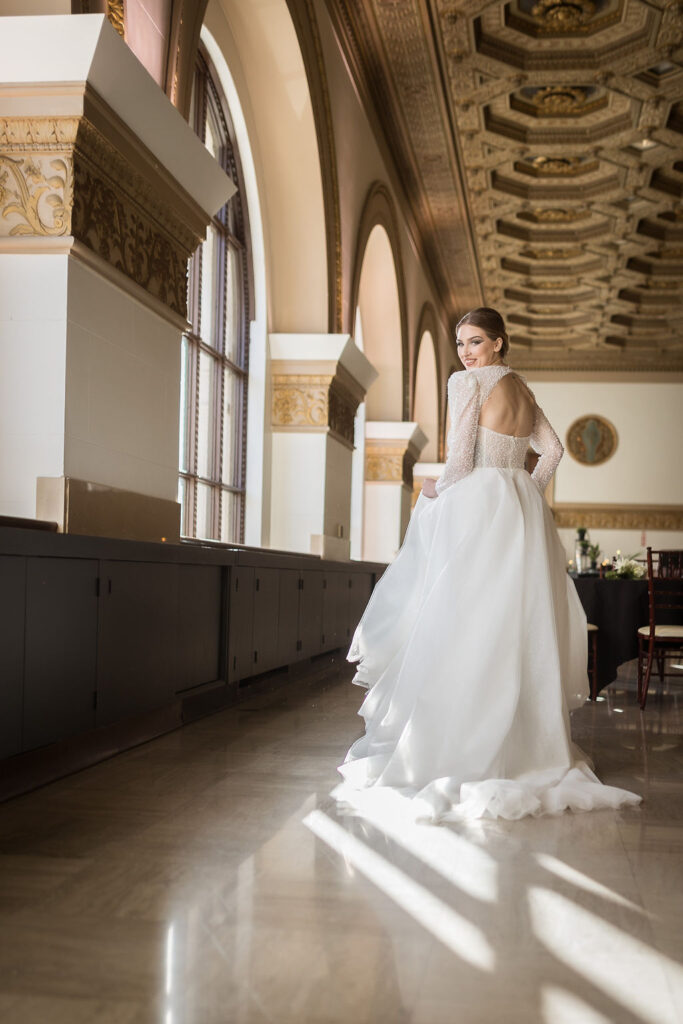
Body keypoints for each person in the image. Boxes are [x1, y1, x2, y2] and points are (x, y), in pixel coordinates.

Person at [333, 307, 641, 822]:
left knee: (461, 618)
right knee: (514, 623)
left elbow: (458, 463)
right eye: (460, 344)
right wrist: (521, 492)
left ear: (498, 343)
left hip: (480, 504)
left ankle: (460, 739)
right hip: (521, 511)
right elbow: (553, 451)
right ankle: (529, 747)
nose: (466, 352)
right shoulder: (521, 386)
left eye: (476, 341)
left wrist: (436, 488)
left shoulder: (466, 383)